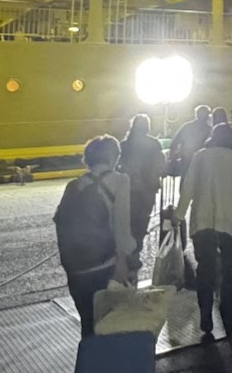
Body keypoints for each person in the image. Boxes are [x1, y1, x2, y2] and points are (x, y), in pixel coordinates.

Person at [174, 123, 232, 338]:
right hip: (228, 221)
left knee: (205, 270)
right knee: (228, 269)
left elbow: (188, 186)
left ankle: (206, 317)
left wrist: (179, 215)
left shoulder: (200, 156)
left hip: (202, 222)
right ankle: (229, 313)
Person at [54, 135, 135, 337]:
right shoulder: (120, 180)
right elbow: (121, 226)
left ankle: (87, 356)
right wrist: (123, 263)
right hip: (104, 266)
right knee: (108, 328)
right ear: (113, 156)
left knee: (87, 326)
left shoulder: (74, 185)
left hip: (76, 269)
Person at [118, 113, 166, 262]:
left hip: (129, 189)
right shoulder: (154, 143)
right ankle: (136, 249)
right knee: (143, 219)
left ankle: (128, 250)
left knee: (129, 220)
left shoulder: (124, 145)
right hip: (148, 188)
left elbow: (118, 166)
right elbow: (161, 164)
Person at [169, 104, 211, 176]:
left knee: (186, 180)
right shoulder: (210, 130)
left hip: (187, 160)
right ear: (208, 116)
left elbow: (175, 143)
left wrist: (172, 158)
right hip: (202, 162)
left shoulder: (186, 127)